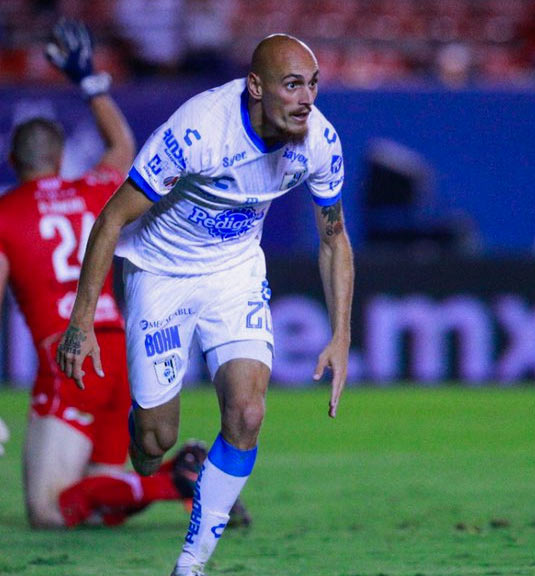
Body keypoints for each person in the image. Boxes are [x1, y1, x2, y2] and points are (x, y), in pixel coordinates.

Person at [57, 33, 354, 575]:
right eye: (292, 85)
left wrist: (341, 336)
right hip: (160, 272)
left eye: (313, 84)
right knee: (152, 443)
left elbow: (334, 237)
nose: (306, 98)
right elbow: (111, 218)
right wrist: (80, 322)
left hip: (234, 273)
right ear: (256, 87)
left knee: (247, 412)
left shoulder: (320, 142)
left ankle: (191, 564)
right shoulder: (198, 130)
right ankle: (161, 452)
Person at [0, 19, 200, 529]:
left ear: (12, 160)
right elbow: (124, 145)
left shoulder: (0, 214)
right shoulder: (95, 188)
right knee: (101, 506)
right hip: (118, 349)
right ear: (60, 156)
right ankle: (174, 479)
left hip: (69, 353)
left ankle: (174, 481)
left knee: (48, 510)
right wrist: (91, 83)